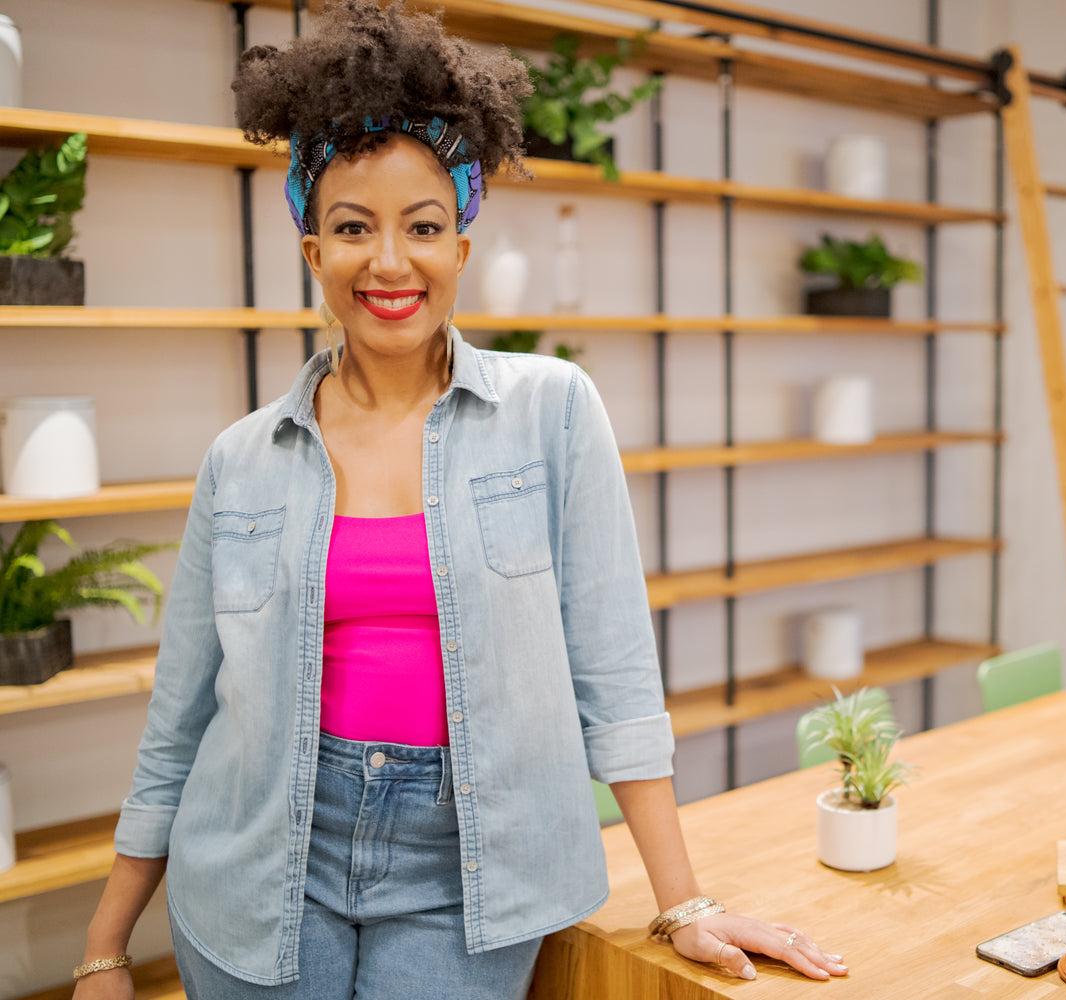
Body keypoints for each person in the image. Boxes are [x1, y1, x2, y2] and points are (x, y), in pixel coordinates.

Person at [72, 3, 847, 996]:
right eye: (352, 227)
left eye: (423, 227)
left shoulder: (553, 413)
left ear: (461, 251)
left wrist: (684, 897)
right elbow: (179, 717)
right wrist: (104, 945)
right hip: (261, 865)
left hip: (467, 869)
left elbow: (613, 668)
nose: (389, 261)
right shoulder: (241, 460)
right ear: (314, 255)